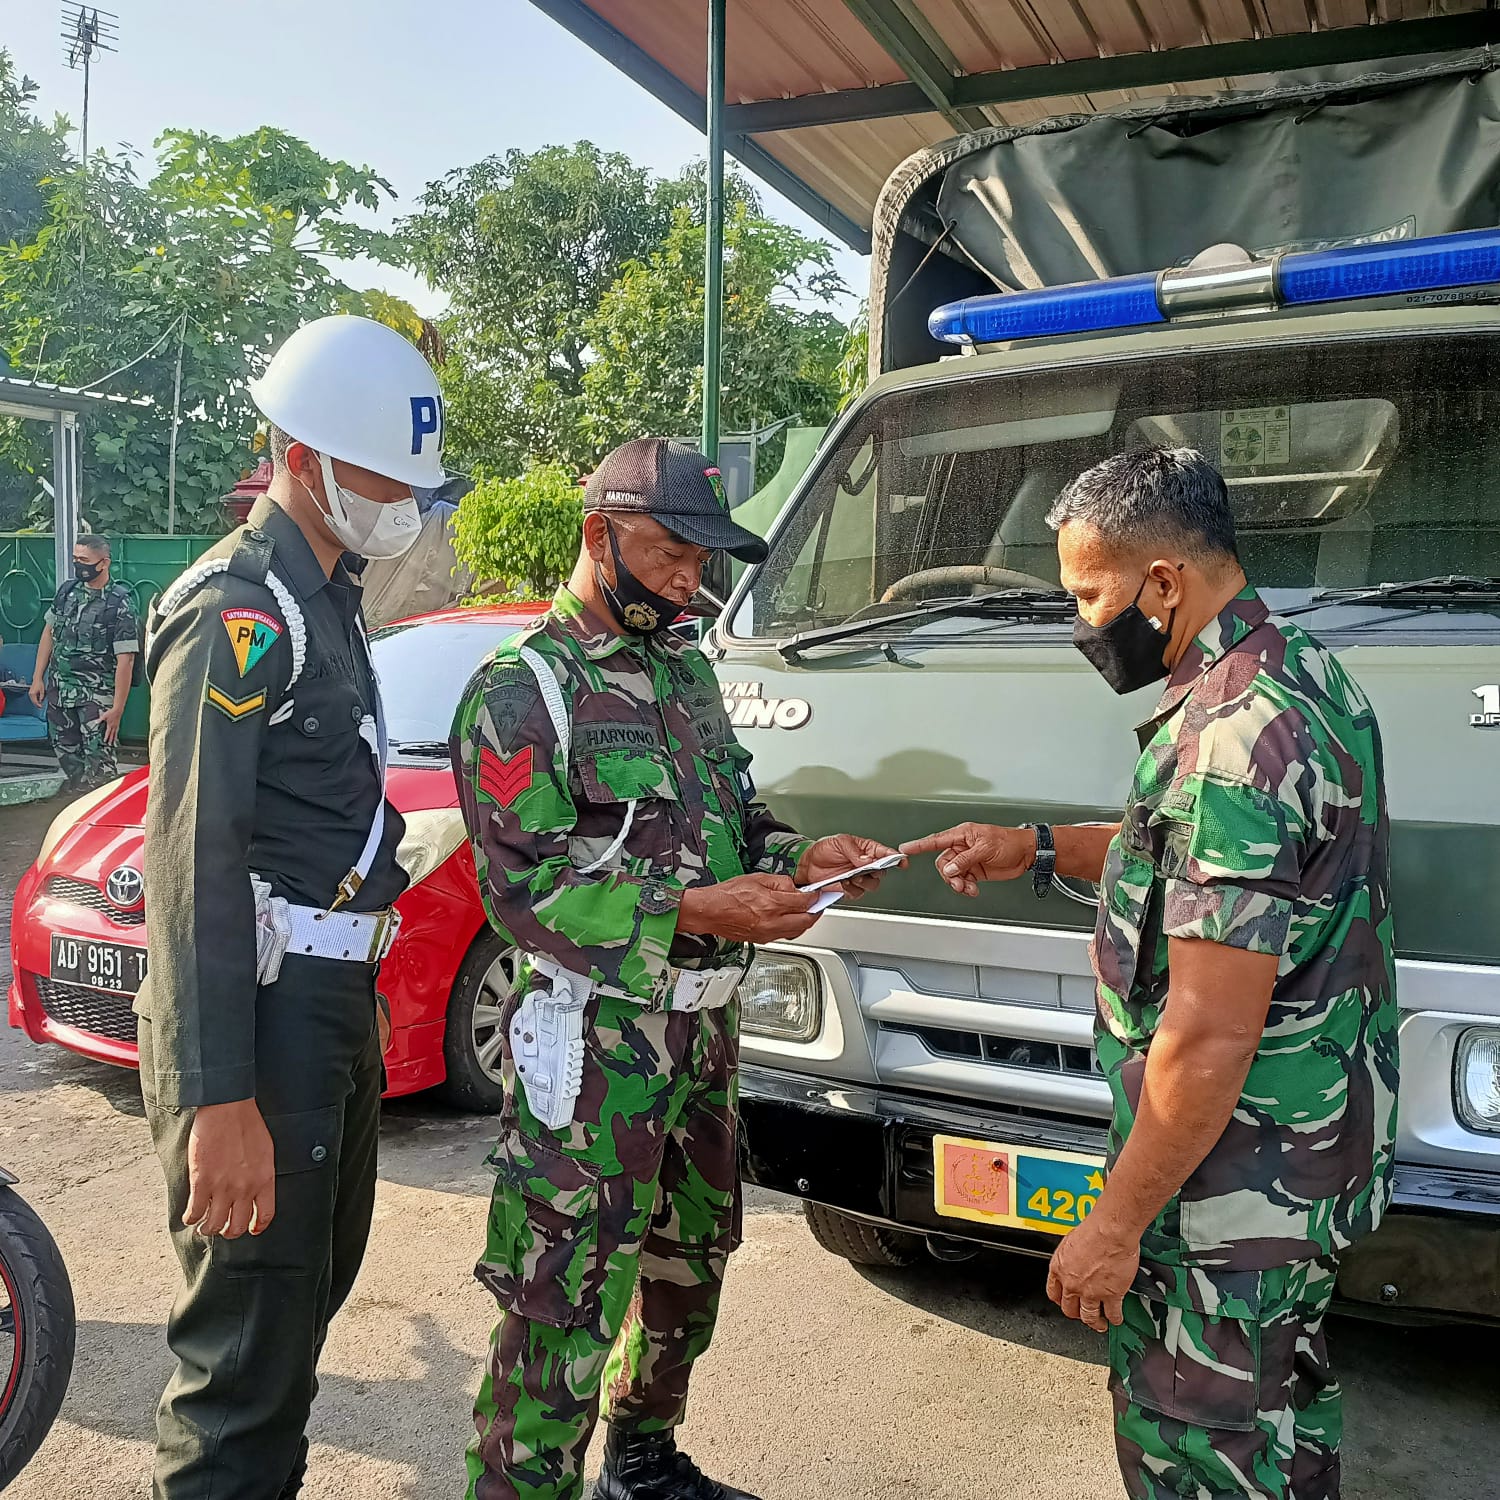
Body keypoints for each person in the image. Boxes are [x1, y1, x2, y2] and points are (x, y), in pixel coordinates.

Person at [904, 448, 1397, 1500]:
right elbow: (1186, 859)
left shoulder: (1226, 742)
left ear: (1163, 582)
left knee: (1199, 1451)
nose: (1083, 624)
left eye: (1090, 594)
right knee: (1281, 1438)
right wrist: (1033, 846)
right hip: (1301, 1172)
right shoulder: (1302, 677)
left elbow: (1210, 1033)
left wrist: (1113, 1226)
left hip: (1227, 1197)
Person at [451, 437, 900, 1500]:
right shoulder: (523, 693)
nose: (693, 578)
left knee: (689, 1266)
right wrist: (700, 909)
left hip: (704, 1037)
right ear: (599, 535)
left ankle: (641, 1464)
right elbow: (527, 893)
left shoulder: (685, 673)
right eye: (671, 552)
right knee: (562, 1291)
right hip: (598, 1048)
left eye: (705, 559)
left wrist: (804, 859)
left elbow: (736, 824)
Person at [136, 314, 443, 1500]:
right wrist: (220, 1102)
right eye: (386, 474)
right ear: (301, 457)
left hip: (325, 1006)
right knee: (241, 1376)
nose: (409, 498)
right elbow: (192, 865)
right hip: (255, 1028)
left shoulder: (329, 595)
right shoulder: (238, 609)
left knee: (299, 1317)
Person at [28, 533, 139, 792]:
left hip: (96, 697)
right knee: (68, 758)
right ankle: (78, 812)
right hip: (60, 692)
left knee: (100, 766)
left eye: (85, 560)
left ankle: (103, 817)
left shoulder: (119, 603)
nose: (79, 565)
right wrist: (37, 678)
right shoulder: (67, 592)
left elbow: (127, 659)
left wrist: (118, 709)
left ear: (104, 563)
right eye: (76, 559)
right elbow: (49, 633)